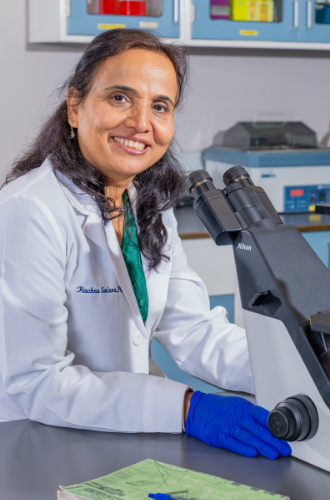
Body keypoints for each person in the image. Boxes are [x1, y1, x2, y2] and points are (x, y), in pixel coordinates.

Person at [0, 29, 291, 460]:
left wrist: (296, 370)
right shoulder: (29, 211)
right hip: (35, 439)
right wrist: (189, 408)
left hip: (118, 433)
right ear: (75, 107)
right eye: (120, 97)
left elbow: (192, 329)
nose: (141, 123)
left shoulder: (146, 205)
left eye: (160, 106)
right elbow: (36, 381)